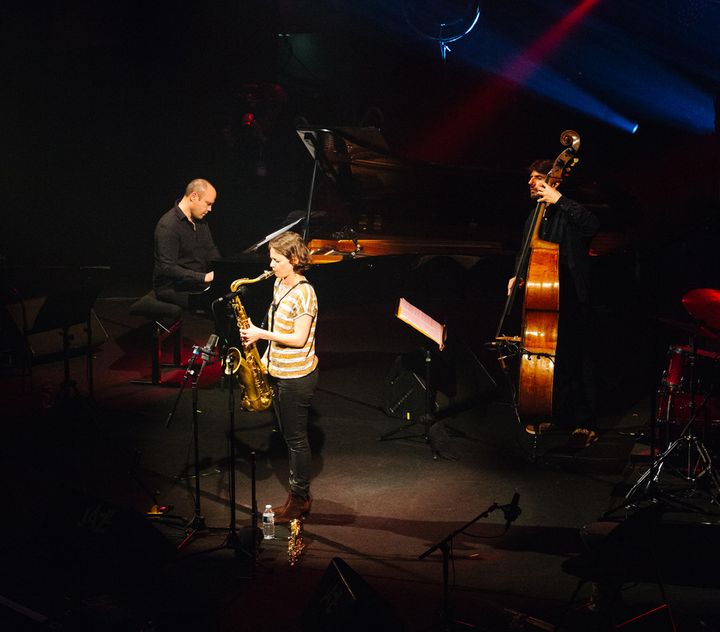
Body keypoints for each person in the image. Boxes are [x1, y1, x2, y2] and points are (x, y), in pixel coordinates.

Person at [508, 159, 600, 448]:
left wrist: (560, 199)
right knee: (552, 360)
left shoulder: (568, 208)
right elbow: (527, 248)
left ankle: (586, 423)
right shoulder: (534, 215)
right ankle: (556, 414)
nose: (531, 182)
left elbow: (592, 226)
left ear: (553, 182)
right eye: (531, 177)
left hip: (572, 294)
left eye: (537, 178)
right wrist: (517, 274)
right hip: (544, 294)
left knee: (579, 359)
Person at [239, 231, 318, 523]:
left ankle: (300, 498)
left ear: (294, 260)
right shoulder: (278, 283)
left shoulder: (304, 293)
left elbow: (298, 339)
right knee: (288, 436)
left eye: (276, 260)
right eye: (270, 259)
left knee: (296, 440)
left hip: (297, 376)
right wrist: (262, 359)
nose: (270, 264)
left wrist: (260, 334)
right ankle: (298, 495)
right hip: (279, 369)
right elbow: (277, 333)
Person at [153, 178, 221, 310]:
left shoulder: (201, 221)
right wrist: (203, 277)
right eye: (208, 203)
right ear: (193, 196)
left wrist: (222, 270)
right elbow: (167, 268)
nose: (210, 209)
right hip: (174, 288)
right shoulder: (168, 225)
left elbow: (210, 250)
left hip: (196, 284)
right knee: (217, 306)